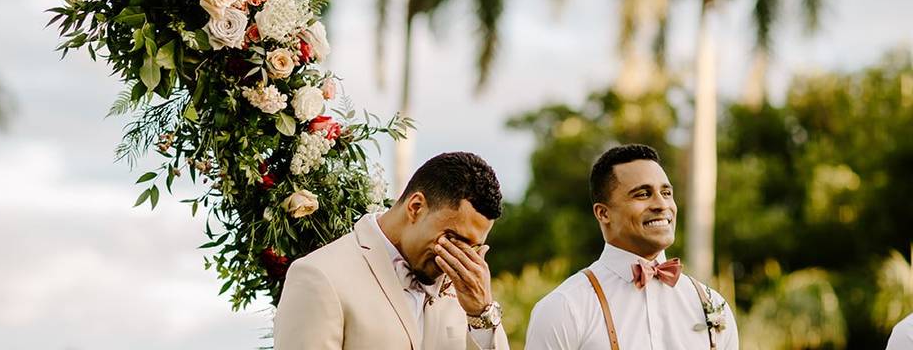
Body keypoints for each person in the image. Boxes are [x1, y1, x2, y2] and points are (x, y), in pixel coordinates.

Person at [274, 151, 509, 349]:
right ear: (416, 207)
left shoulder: (464, 293)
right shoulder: (319, 276)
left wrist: (481, 314)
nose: (459, 257)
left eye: (472, 246)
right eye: (452, 238)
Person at [525, 144, 738, 350]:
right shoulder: (564, 307)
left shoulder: (710, 302)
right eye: (643, 194)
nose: (662, 205)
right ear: (603, 213)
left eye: (666, 193)